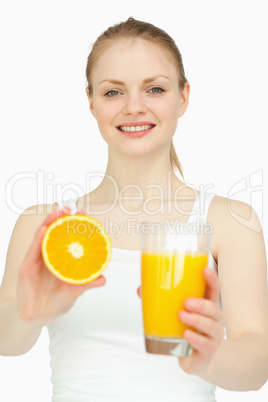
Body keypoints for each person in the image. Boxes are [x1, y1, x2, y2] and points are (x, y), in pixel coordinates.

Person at [0, 16, 268, 402]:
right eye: (113, 93)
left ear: (184, 97)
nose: (134, 107)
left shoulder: (230, 222)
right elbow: (8, 343)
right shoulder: (46, 224)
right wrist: (31, 313)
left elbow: (256, 365)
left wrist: (209, 356)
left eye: (155, 89)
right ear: (90, 101)